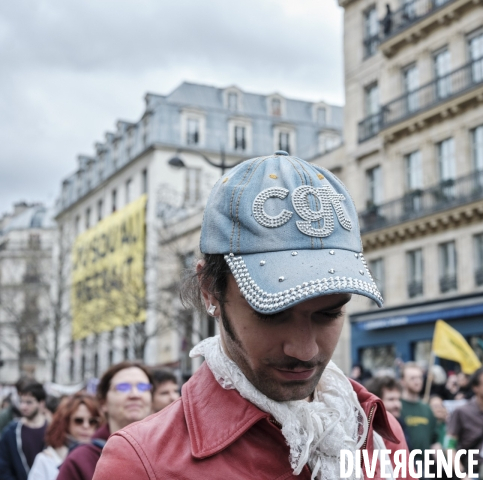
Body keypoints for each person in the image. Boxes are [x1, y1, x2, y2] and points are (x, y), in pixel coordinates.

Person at [93, 151, 411, 479]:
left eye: (329, 313)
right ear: (210, 290)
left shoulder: (376, 431)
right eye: (271, 312)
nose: (305, 350)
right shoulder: (141, 463)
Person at [57, 362, 152, 480]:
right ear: (103, 403)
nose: (135, 394)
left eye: (143, 387)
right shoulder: (81, 460)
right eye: (123, 387)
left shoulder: (167, 453)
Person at [28, 393, 100, 480]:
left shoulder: (101, 456)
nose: (86, 426)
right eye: (78, 420)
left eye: (92, 421)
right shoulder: (46, 460)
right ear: (66, 422)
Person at [0, 382, 47, 480]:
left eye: (29, 402)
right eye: (21, 402)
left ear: (41, 403)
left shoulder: (52, 431)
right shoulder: (11, 432)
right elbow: (3, 466)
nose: (23, 407)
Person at [400, 362, 439, 456]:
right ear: (402, 381)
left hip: (425, 466)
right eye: (412, 378)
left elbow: (434, 443)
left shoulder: (426, 408)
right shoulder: (397, 407)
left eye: (419, 377)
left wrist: (445, 467)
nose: (417, 381)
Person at [365, 376, 411, 449]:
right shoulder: (368, 430)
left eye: (398, 399)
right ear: (376, 402)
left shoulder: (400, 423)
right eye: (391, 399)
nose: (397, 405)